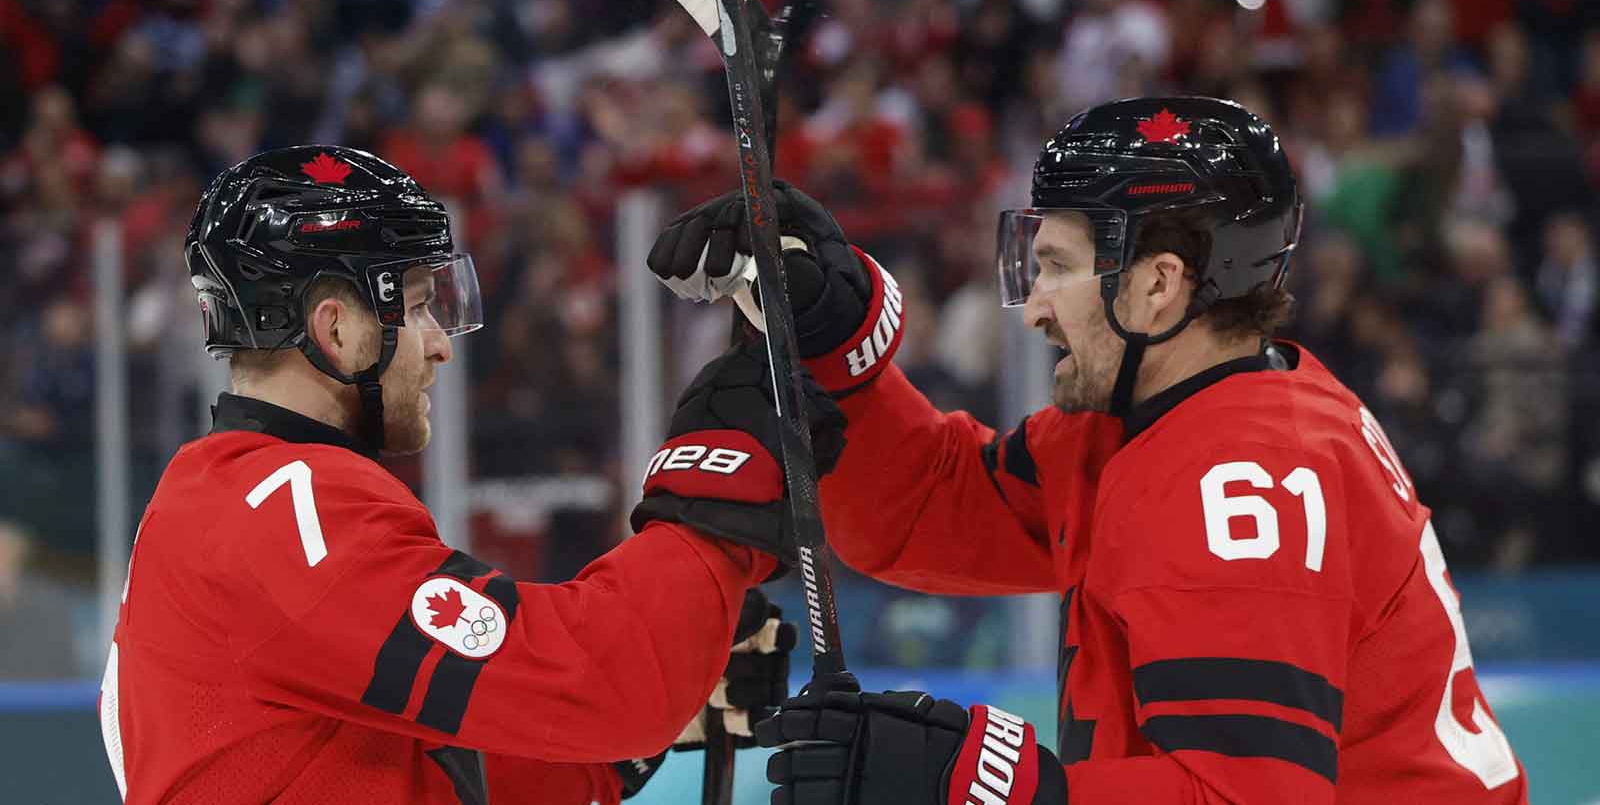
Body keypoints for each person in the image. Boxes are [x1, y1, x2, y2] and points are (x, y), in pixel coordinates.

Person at [648, 97, 1528, 804]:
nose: (1034, 307)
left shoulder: (1242, 477)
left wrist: (975, 780)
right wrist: (839, 340)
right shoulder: (1153, 422)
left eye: (1060, 267)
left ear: (1159, 284)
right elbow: (931, 512)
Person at [100, 146, 825, 804]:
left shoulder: (216, 495)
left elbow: (408, 768)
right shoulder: (292, 516)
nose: (441, 345)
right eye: (418, 307)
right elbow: (607, 684)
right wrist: (719, 483)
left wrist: (626, 749)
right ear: (336, 330)